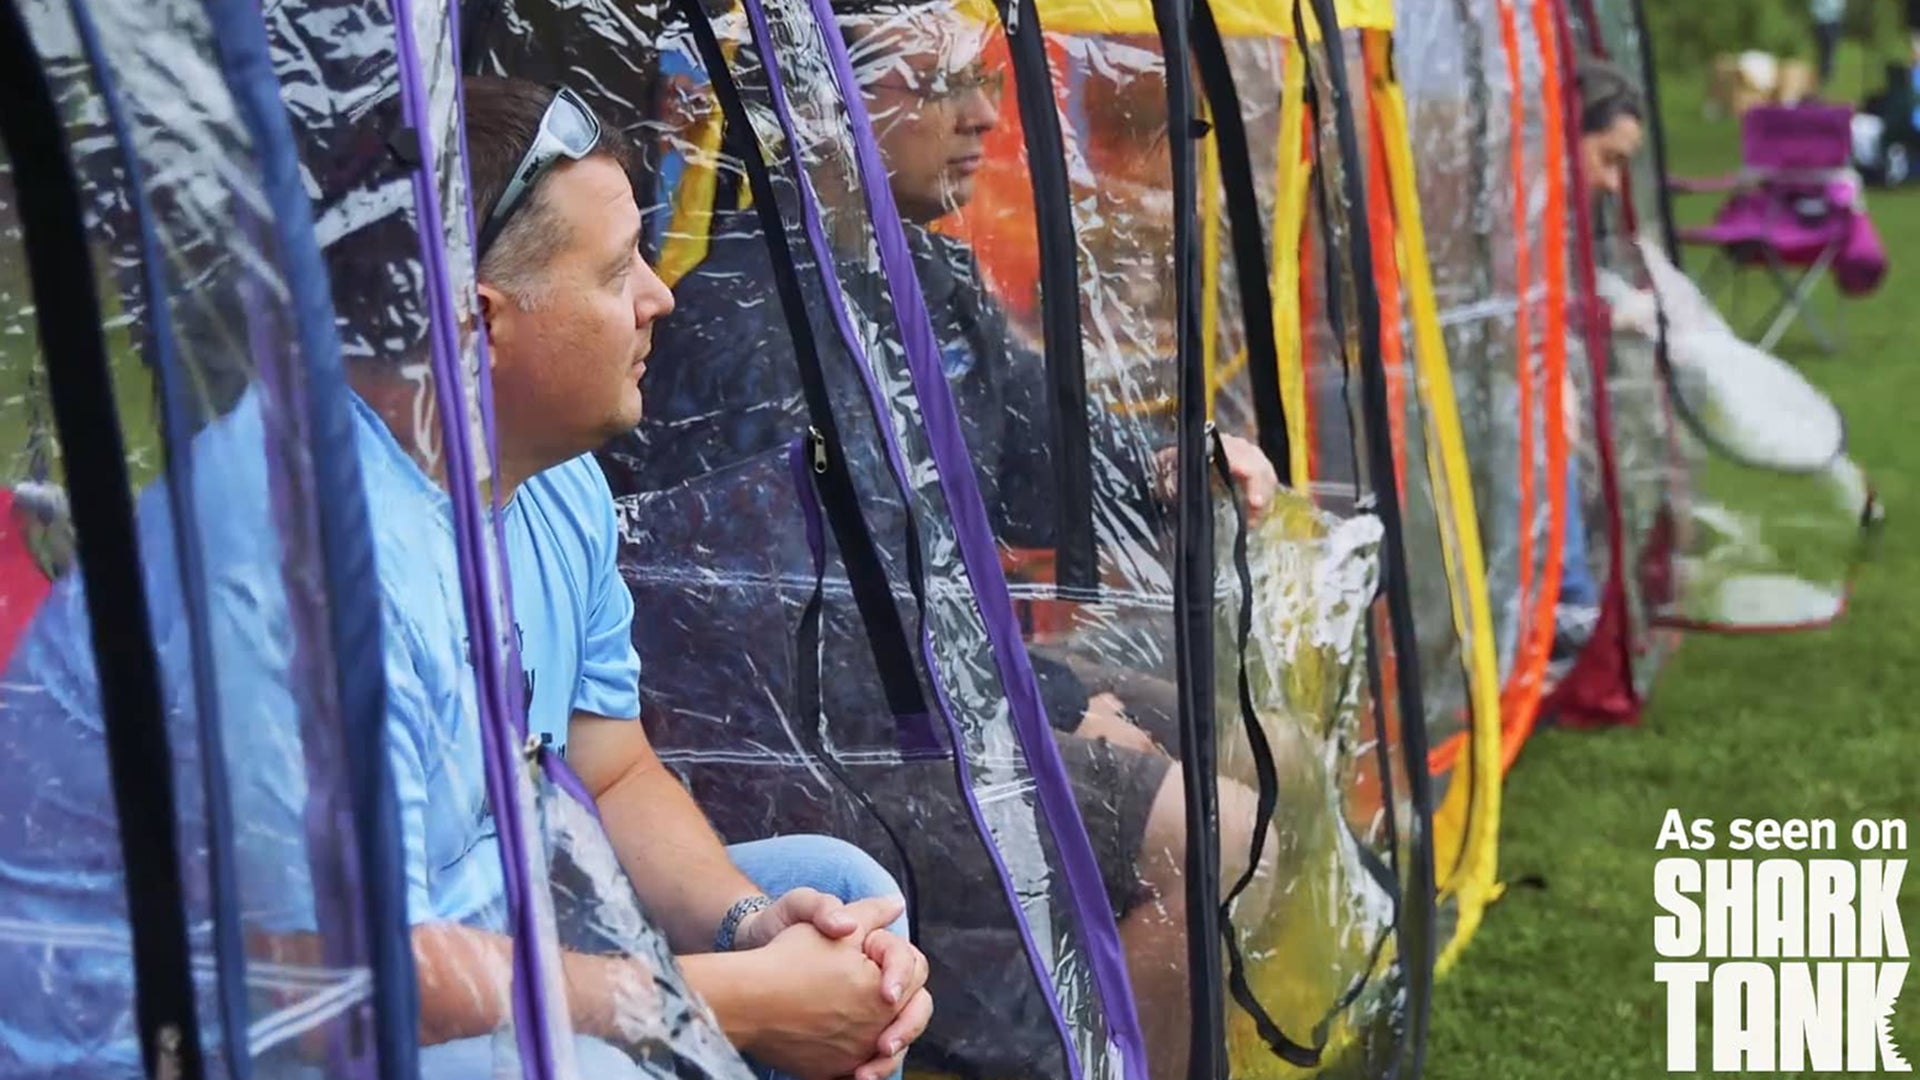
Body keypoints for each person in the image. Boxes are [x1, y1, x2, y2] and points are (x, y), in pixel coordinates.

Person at [0, 76, 931, 1080]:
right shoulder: (294, 568)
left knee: (837, 895)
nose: (659, 295)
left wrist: (748, 928)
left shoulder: (553, 480)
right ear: (482, 322)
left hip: (455, 935)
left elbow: (610, 769)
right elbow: (345, 984)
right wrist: (726, 1003)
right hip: (195, 1027)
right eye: (617, 270)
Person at [601, 4, 1278, 1078]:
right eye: (937, 86)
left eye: (985, 84)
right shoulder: (742, 326)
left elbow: (1040, 466)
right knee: (1221, 836)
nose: (983, 120)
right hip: (841, 752)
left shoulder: (929, 281)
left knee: (1253, 742)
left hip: (947, 698)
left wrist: (1172, 466)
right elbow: (806, 642)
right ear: (825, 108)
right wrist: (1052, 708)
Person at [1811, 0, 1846, 88]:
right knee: (1822, 49)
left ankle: (1827, 73)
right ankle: (1821, 72)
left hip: (1833, 21)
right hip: (1821, 21)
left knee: (1830, 48)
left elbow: (1839, 6)